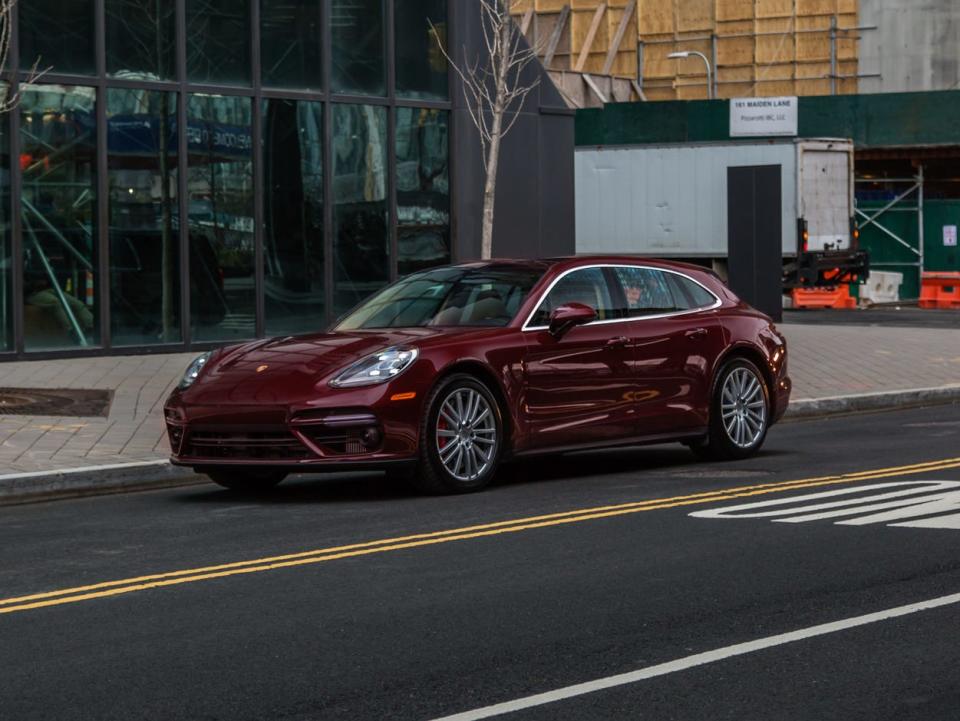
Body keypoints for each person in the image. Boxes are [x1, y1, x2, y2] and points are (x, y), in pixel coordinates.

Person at [25, 276, 94, 341]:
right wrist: (32, 284)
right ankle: (71, 331)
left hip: (48, 289)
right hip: (31, 293)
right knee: (55, 302)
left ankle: (91, 326)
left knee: (75, 302)